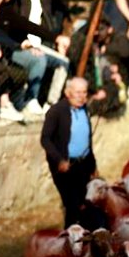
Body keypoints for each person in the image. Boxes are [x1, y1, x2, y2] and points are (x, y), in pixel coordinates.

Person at [41, 77, 96, 227]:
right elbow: (45, 139)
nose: (82, 96)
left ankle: (84, 239)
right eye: (78, 92)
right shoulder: (56, 111)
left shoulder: (85, 109)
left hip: (83, 164)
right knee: (72, 205)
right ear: (67, 93)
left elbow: (87, 140)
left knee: (85, 202)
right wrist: (59, 160)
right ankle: (69, 241)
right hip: (65, 167)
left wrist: (93, 165)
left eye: (84, 92)